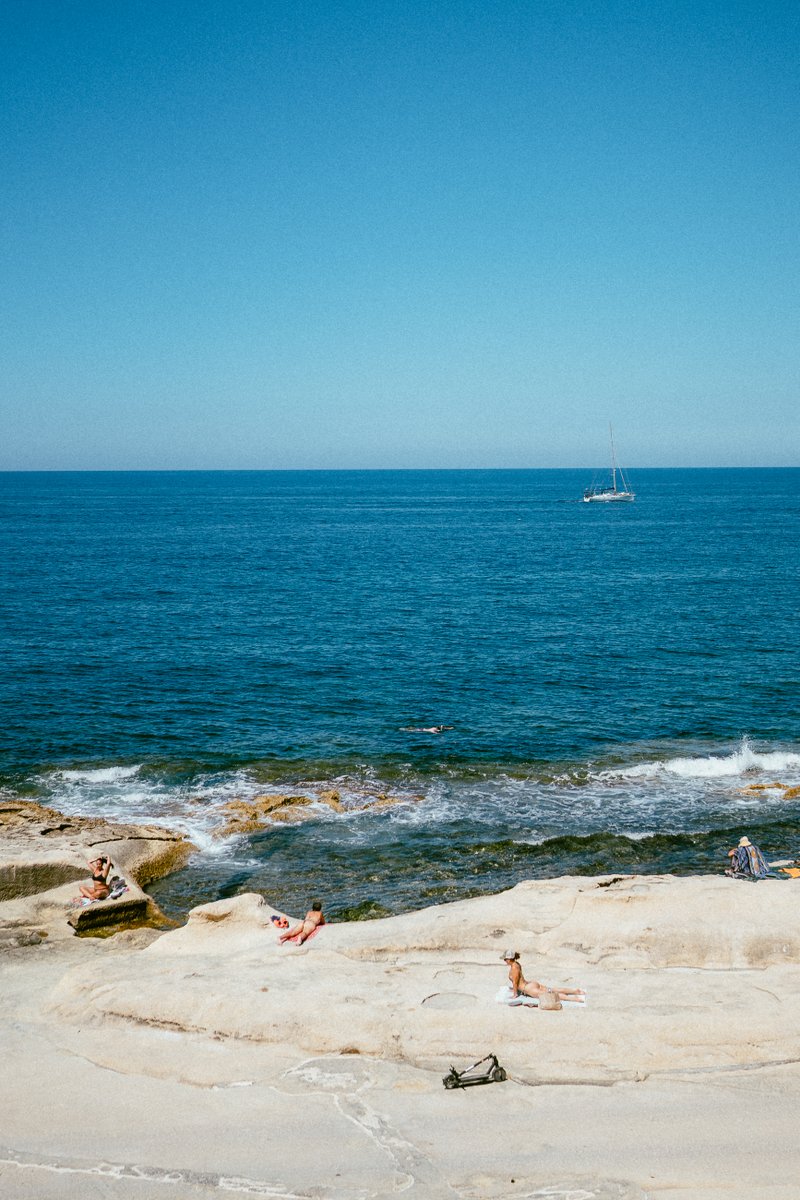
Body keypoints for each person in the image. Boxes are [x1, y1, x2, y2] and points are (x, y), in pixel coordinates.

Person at [502, 950, 584, 1002]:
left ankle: (574, 999)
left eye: (505, 959)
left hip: (528, 989)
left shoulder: (514, 968)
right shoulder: (517, 964)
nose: (504, 960)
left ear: (509, 959)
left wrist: (515, 994)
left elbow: (515, 982)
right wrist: (514, 989)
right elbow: (519, 980)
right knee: (551, 990)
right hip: (530, 984)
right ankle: (574, 991)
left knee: (551, 994)